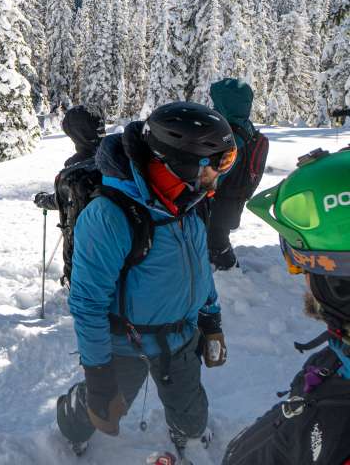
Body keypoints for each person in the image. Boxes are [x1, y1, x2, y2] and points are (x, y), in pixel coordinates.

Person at [56, 102, 236, 459]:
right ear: (182, 163)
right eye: (216, 165)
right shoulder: (110, 215)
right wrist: (97, 375)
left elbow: (198, 267)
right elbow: (87, 303)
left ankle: (190, 436)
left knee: (191, 413)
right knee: (102, 407)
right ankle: (72, 421)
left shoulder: (188, 201)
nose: (218, 176)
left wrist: (210, 318)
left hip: (181, 338)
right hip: (124, 343)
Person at [221, 147, 350, 465]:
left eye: (300, 266)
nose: (301, 278)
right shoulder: (336, 359)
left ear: (336, 285)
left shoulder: (330, 426)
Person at [33, 105, 106, 285]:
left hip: (82, 246)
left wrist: (42, 200)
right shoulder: (118, 157)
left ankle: (74, 286)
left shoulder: (74, 173)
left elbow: (60, 200)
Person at [207, 78, 270, 271]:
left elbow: (218, 172)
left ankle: (228, 268)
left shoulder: (230, 137)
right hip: (233, 196)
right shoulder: (245, 127)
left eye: (216, 103)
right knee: (217, 235)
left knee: (216, 239)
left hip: (220, 197)